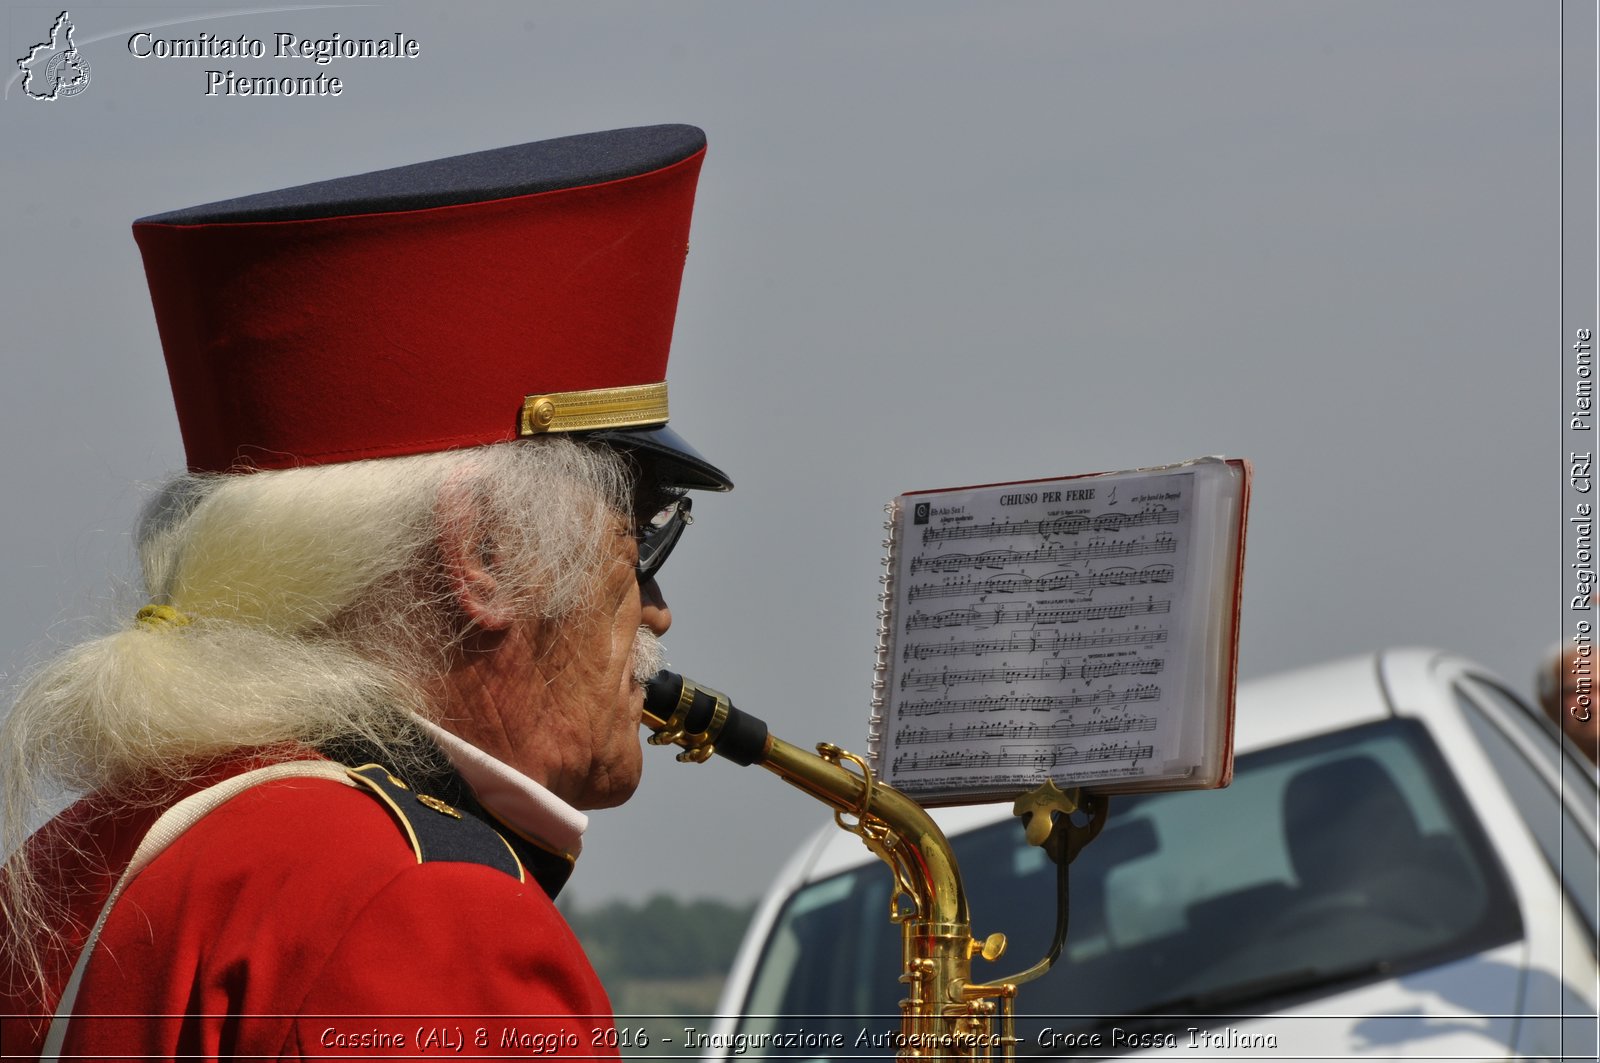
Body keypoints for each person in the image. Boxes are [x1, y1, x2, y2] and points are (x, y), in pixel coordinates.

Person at [0, 125, 732, 1059]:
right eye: (641, 536)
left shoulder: (78, 852)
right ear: (489, 554)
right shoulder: (424, 910)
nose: (654, 608)